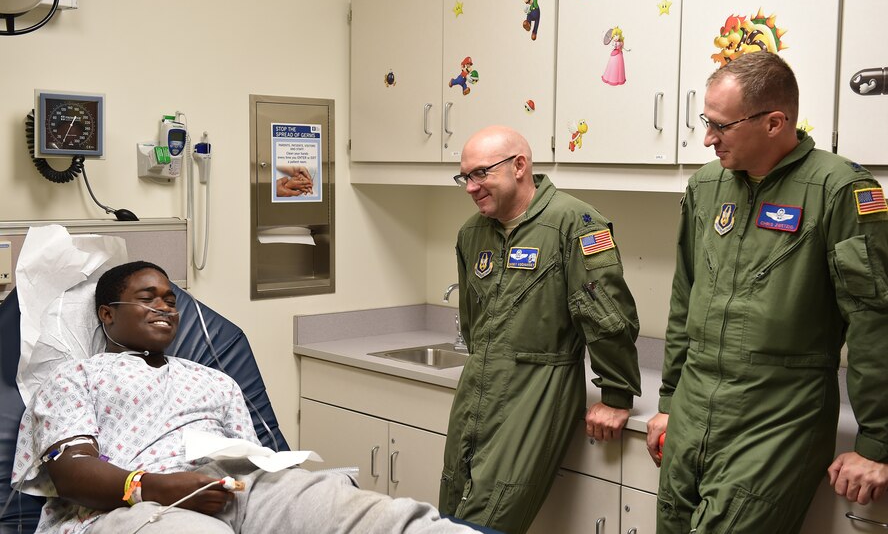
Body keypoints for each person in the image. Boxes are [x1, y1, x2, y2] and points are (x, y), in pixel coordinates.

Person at [11, 261, 479, 534]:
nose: (166, 308)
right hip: (128, 505)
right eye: (148, 298)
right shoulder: (75, 377)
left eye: (171, 300)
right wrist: (154, 487)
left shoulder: (216, 380)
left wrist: (273, 483)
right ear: (108, 316)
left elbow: (253, 458)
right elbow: (70, 473)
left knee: (363, 513)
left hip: (230, 490)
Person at [646, 51, 888, 533]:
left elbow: (875, 322)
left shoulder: (840, 190)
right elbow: (684, 297)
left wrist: (878, 443)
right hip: (693, 408)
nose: (708, 137)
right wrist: (669, 400)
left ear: (775, 122)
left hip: (778, 416)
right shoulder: (706, 185)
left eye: (721, 125)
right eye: (705, 121)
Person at [439, 125, 642, 533]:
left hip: (538, 388)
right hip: (476, 386)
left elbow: (607, 318)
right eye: (465, 176)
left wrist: (616, 394)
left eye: (481, 174)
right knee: (448, 511)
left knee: (487, 519)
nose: (470, 187)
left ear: (519, 166)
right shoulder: (471, 233)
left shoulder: (576, 223)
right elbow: (471, 321)